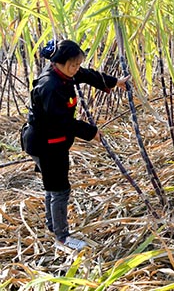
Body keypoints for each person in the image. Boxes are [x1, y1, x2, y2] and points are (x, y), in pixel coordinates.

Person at [23, 39, 129, 250]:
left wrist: (114, 82)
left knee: (52, 185)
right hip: (46, 143)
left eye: (78, 64)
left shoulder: (65, 72)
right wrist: (91, 132)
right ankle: (62, 237)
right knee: (59, 189)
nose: (76, 69)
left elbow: (87, 75)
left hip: (50, 140)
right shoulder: (50, 87)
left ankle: (53, 225)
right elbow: (62, 122)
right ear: (59, 63)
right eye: (73, 65)